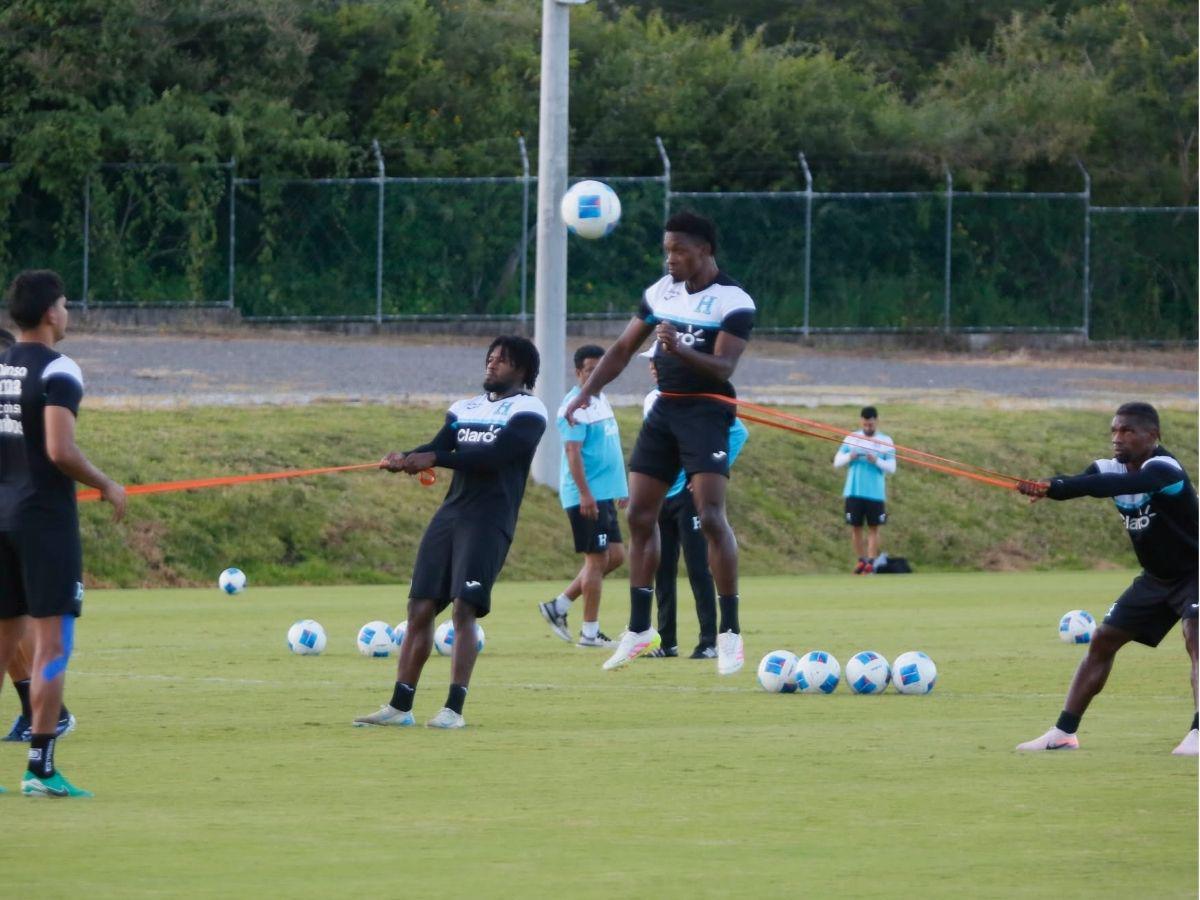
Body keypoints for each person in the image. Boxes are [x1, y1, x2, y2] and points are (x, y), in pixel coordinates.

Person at [564, 210, 755, 675]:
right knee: (638, 515)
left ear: (704, 251)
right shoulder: (659, 292)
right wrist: (587, 395)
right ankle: (639, 630)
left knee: (710, 516)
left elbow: (724, 368)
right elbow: (624, 349)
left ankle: (729, 633)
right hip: (665, 410)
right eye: (666, 250)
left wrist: (678, 349)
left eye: (679, 251)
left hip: (707, 411)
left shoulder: (734, 300)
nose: (670, 259)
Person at [354, 336, 546, 730]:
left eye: (502, 361)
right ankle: (399, 707)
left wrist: (436, 458)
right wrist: (404, 458)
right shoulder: (464, 408)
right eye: (490, 358)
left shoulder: (529, 410)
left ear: (523, 371)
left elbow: (494, 458)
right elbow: (438, 446)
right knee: (419, 607)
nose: (491, 365)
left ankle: (452, 710)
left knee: (463, 608)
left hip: (489, 519)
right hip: (451, 514)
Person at [0, 270, 126, 797]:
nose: (69, 314)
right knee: (53, 645)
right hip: (44, 523)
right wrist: (106, 484)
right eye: (67, 305)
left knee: (5, 644)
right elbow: (58, 449)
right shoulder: (60, 368)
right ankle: (41, 768)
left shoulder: (2, 365)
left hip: (2, 514)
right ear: (52, 312)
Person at [1016, 402, 1198, 755]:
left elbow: (1107, 484)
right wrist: (1046, 487)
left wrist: (1055, 486)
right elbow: (1088, 482)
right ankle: (1063, 734)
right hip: (1156, 578)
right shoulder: (1109, 467)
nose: (1118, 438)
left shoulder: (1165, 468)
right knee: (1102, 640)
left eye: (1128, 431)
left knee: (1196, 635)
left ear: (1153, 435)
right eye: (1114, 430)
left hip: (1196, 570)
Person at [642, 354, 749, 659]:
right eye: (651, 362)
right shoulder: (652, 399)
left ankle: (709, 641)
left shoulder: (698, 398)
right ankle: (666, 640)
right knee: (662, 569)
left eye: (657, 361)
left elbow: (739, 433)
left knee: (699, 568)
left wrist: (706, 471)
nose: (653, 366)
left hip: (690, 497)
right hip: (661, 495)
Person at [0, 325, 76, 744]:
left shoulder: (37, 377)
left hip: (20, 512)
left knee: (12, 619)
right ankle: (37, 707)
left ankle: (45, 713)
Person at [538, 345, 627, 648]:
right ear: (578, 373)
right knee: (597, 559)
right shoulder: (573, 406)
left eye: (601, 368)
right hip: (586, 495)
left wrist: (621, 488)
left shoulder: (600, 400)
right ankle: (590, 633)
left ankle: (559, 606)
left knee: (615, 557)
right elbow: (572, 453)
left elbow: (609, 448)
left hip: (604, 493)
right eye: (590, 369)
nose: (596, 374)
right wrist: (586, 494)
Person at [833, 405, 895, 574]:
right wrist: (849, 456)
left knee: (874, 528)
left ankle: (871, 562)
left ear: (876, 422)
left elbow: (891, 467)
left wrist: (876, 461)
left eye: (871, 425)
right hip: (854, 491)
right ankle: (861, 560)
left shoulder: (885, 441)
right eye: (866, 425)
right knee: (856, 527)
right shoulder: (852, 438)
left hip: (875, 493)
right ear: (861, 421)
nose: (868, 428)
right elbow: (837, 462)